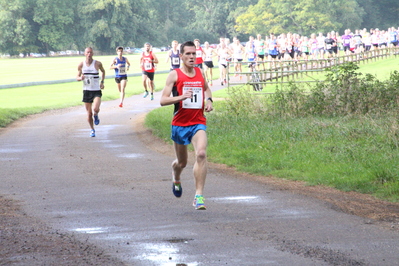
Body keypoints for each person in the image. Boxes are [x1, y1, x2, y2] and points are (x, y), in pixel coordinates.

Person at [160, 40, 213, 210]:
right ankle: (176, 176)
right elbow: (163, 100)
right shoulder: (174, 75)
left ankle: (198, 196)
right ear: (181, 56)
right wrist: (181, 97)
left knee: (202, 154)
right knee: (182, 163)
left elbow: (207, 89)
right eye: (188, 54)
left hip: (197, 122)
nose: (191, 57)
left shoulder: (199, 72)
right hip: (180, 124)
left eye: (194, 54)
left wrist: (209, 100)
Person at [76, 47, 105, 137]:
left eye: (91, 52)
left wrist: (102, 82)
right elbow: (77, 76)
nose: (89, 54)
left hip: (96, 90)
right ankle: (92, 129)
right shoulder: (81, 65)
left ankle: (96, 114)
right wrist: (80, 78)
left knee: (95, 109)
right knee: (89, 114)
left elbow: (103, 72)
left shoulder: (97, 64)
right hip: (86, 91)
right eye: (87, 52)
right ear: (85, 53)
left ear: (93, 54)